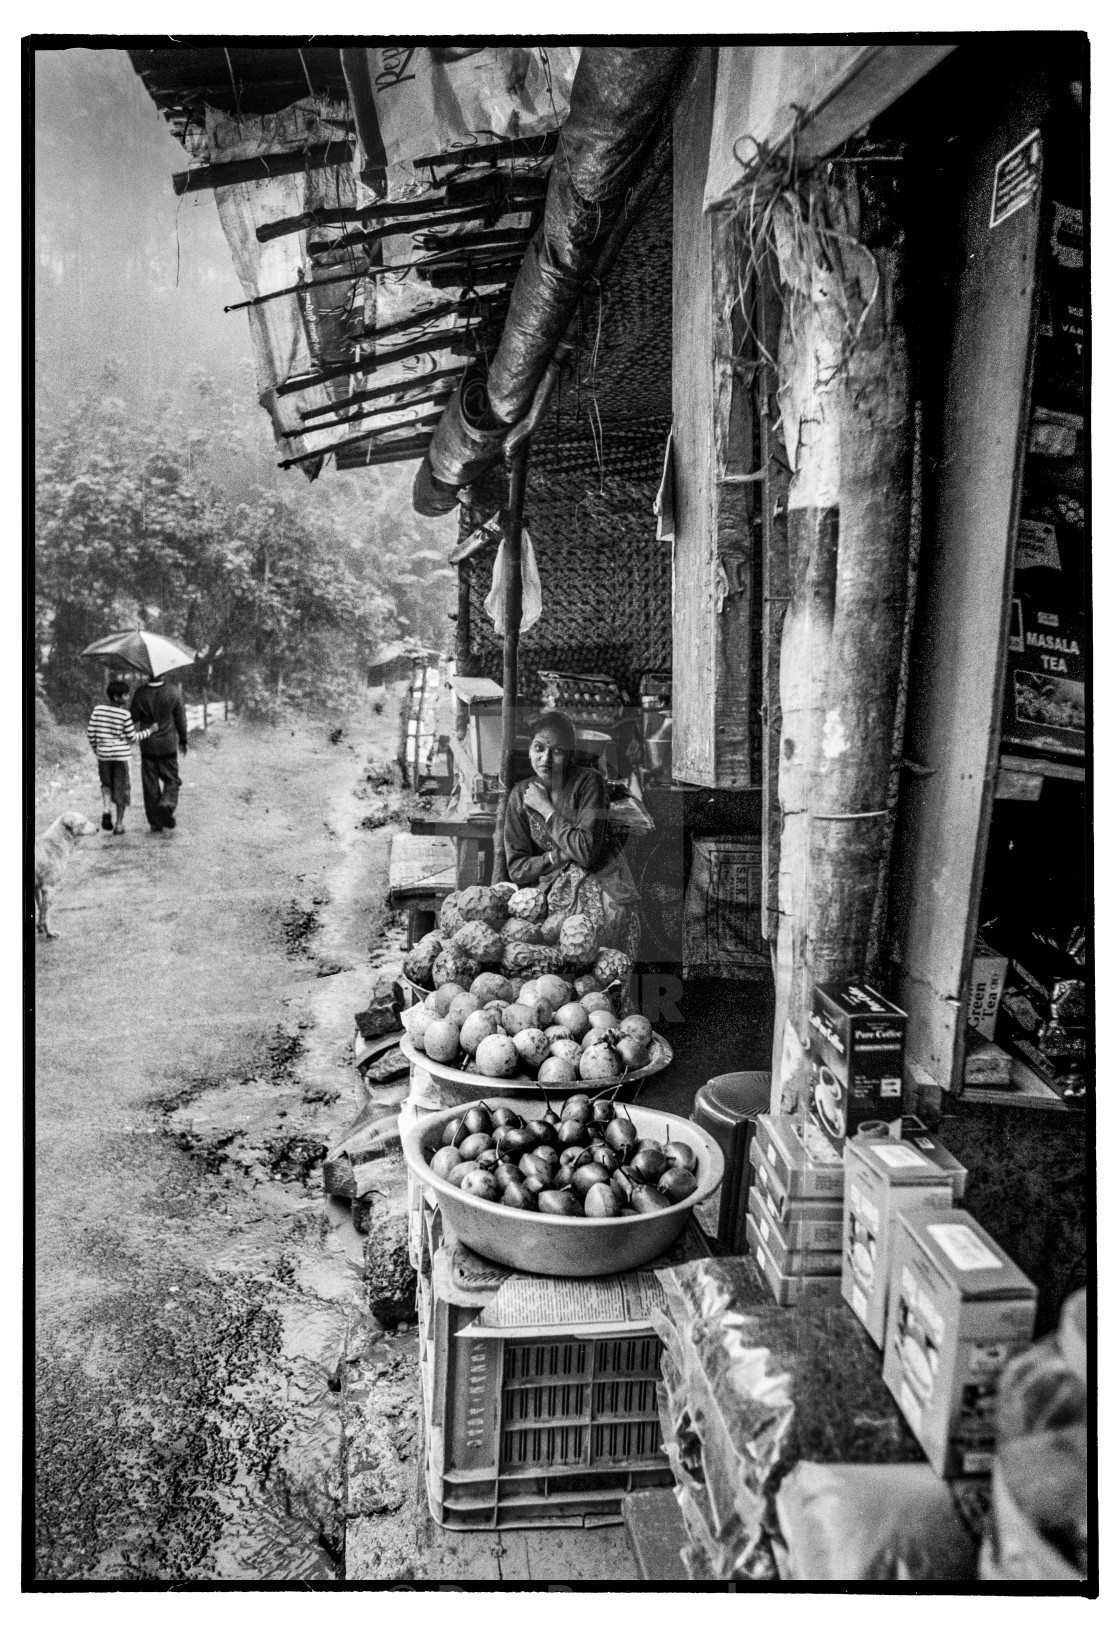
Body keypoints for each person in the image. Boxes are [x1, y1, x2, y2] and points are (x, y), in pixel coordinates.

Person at [503, 709, 641, 958]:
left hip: (601, 884)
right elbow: (517, 868)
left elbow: (586, 853)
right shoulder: (521, 795)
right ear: (529, 749)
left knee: (597, 962)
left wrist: (546, 810)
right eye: (539, 748)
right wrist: (558, 857)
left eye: (557, 751)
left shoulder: (589, 782)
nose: (545, 758)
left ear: (570, 755)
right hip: (551, 893)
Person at [86, 679, 155, 834]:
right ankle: (119, 824)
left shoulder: (98, 710)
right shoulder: (124, 714)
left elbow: (91, 733)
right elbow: (132, 738)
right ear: (117, 697)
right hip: (121, 756)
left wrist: (97, 750)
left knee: (106, 784)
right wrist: (150, 731)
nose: (128, 697)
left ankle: (106, 809)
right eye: (125, 695)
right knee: (122, 788)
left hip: (103, 755)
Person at [130, 673, 189, 833]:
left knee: (150, 784)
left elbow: (132, 717)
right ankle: (167, 804)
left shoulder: (140, 693)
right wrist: (183, 740)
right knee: (172, 780)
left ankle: (156, 822)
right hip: (167, 745)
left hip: (148, 745)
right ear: (163, 672)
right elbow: (180, 718)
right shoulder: (173, 691)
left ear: (149, 673)